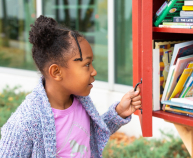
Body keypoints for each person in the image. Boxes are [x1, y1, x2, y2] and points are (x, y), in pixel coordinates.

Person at [0, 15, 141, 158]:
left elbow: (89, 136)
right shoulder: (25, 123)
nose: (94, 71)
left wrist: (118, 112)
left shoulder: (80, 102)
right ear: (56, 72)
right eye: (86, 64)